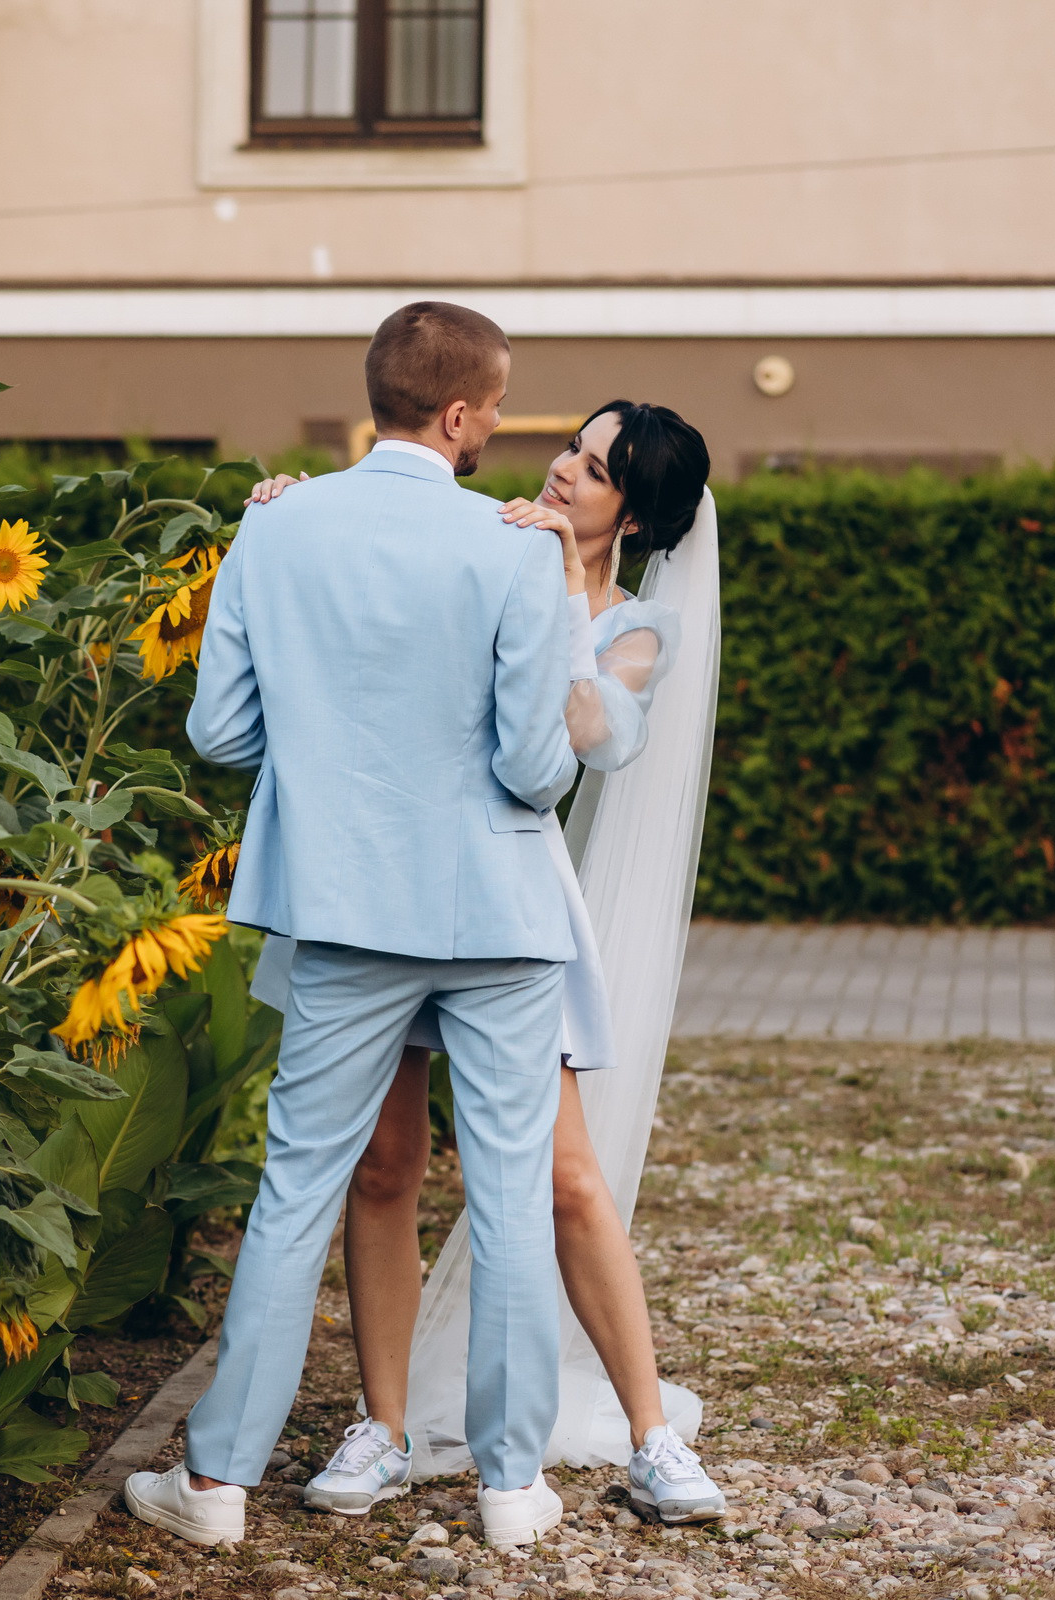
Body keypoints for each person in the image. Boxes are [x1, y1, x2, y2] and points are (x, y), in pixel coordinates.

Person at [122, 302, 586, 1552]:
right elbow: (540, 771)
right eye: (496, 409)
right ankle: (506, 1486)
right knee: (504, 1198)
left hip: (340, 905)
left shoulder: (275, 525)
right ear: (455, 412)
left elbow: (220, 732)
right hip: (497, 912)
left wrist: (327, 759)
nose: (500, 429)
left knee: (294, 1192)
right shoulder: (516, 545)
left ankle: (215, 1485)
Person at [246, 402, 726, 1526]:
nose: (564, 470)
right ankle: (383, 1426)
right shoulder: (481, 539)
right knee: (383, 1162)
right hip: (385, 888)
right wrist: (288, 515)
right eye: (571, 447)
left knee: (563, 1177)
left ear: (638, 516)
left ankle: (652, 1437)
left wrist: (558, 583)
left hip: (506, 910)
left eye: (596, 468)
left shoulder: (630, 630)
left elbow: (582, 742)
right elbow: (365, 589)